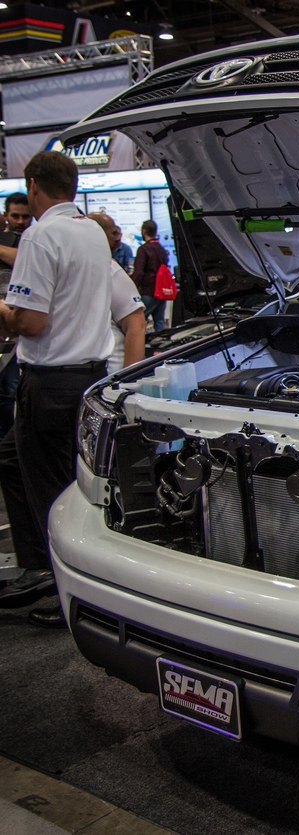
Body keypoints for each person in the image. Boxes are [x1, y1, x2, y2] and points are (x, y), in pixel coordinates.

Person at [0, 151, 114, 626]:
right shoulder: (92, 233)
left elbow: (30, 320)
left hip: (48, 383)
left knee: (52, 490)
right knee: (25, 465)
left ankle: (62, 591)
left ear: (33, 186)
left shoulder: (40, 235)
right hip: (89, 379)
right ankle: (39, 569)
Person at [88, 213, 146, 371]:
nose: (117, 238)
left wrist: (128, 378)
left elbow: (136, 325)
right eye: (113, 233)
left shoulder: (108, 268)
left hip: (111, 372)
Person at [0, 193, 32, 439]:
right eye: (15, 216)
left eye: (25, 216)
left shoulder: (35, 242)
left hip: (22, 326)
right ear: (6, 216)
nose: (20, 221)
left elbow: (24, 259)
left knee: (10, 389)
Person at [131, 219, 170, 332]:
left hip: (148, 291)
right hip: (161, 291)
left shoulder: (143, 250)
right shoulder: (161, 249)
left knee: (138, 320)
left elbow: (139, 272)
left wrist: (133, 287)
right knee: (159, 322)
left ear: (144, 231)